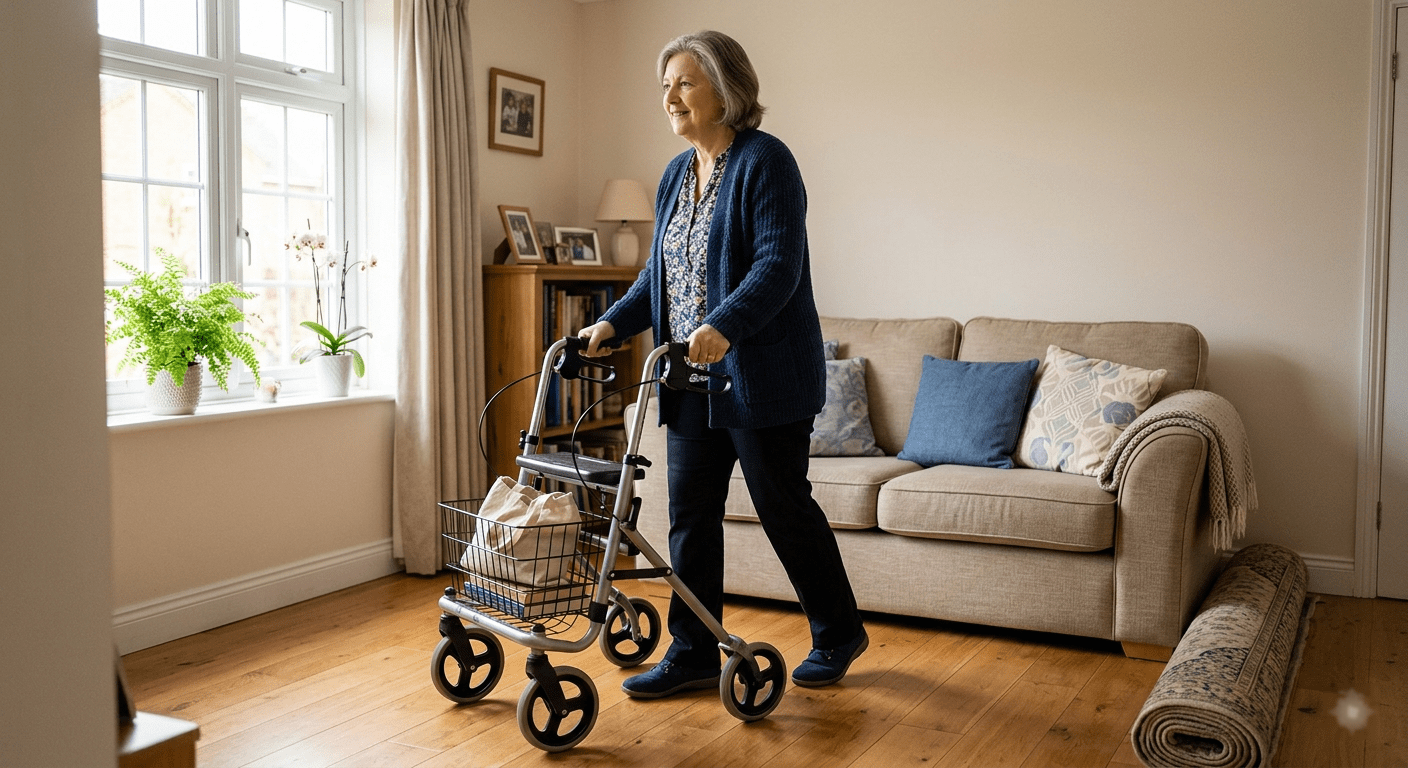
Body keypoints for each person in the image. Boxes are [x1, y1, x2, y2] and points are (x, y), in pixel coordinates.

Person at [578, 30, 868, 699]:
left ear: (725, 88)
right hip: (689, 379)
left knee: (782, 507)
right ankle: (692, 652)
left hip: (763, 377)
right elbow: (660, 276)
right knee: (689, 517)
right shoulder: (675, 175)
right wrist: (612, 323)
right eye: (665, 86)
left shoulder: (767, 161)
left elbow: (778, 264)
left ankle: (838, 631)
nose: (670, 98)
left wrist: (724, 325)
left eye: (685, 82)